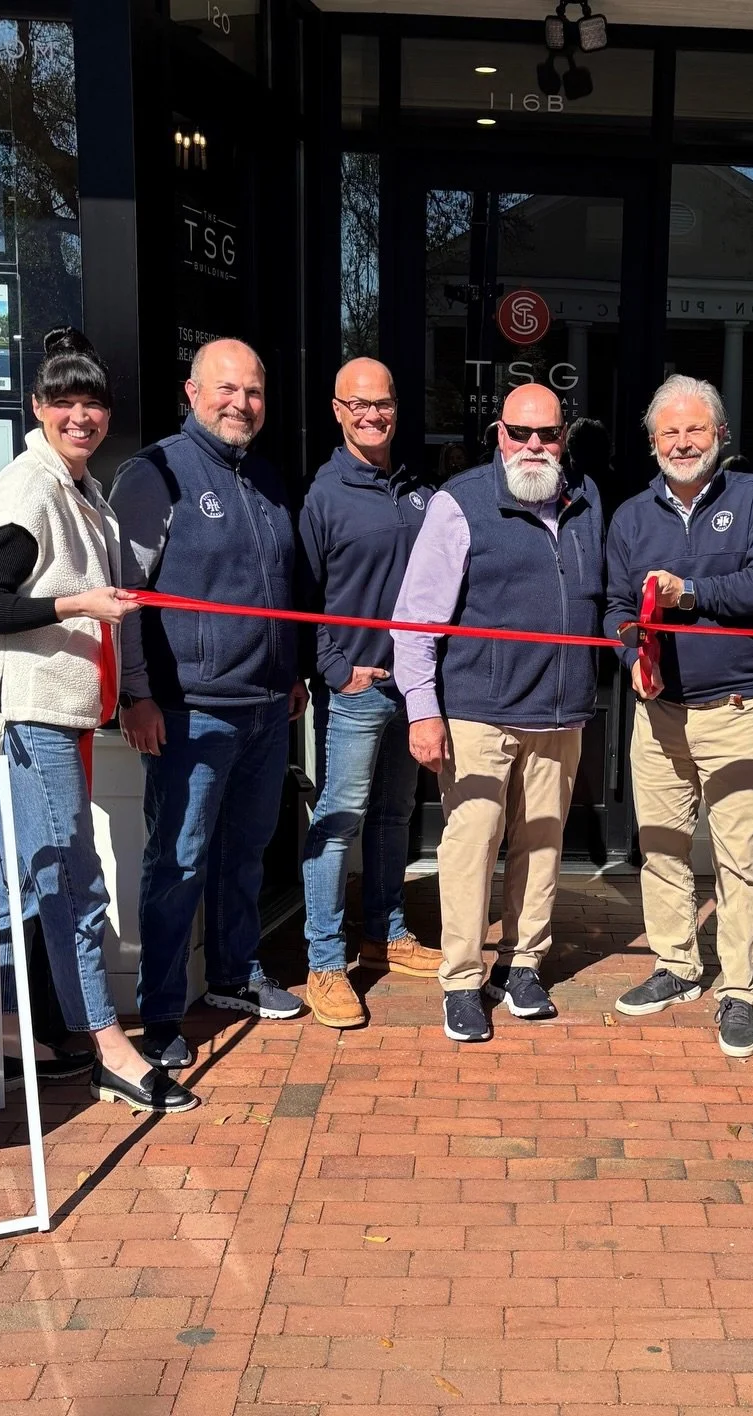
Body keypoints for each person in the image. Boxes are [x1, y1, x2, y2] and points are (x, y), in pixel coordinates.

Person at [0, 327, 197, 1113]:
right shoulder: (28, 490)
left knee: (28, 884)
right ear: (38, 407)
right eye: (64, 402)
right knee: (71, 882)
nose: (80, 417)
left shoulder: (79, 486)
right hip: (26, 715)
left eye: (92, 403)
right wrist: (80, 603)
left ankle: (7, 1030)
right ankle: (109, 1049)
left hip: (55, 713)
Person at [112, 338, 309, 1073]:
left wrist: (290, 672)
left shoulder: (265, 477)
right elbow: (125, 597)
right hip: (189, 709)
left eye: (253, 392)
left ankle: (233, 974)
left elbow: (278, 589)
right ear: (192, 392)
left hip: (265, 705)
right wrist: (136, 694)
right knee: (178, 861)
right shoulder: (155, 473)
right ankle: (162, 1013)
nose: (241, 404)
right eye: (226, 389)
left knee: (245, 852)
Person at [393, 383, 604, 1043]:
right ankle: (461, 979)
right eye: (520, 433)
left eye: (548, 434)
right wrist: (422, 710)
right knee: (471, 846)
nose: (534, 446)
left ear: (564, 438)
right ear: (499, 435)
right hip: (478, 712)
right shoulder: (459, 503)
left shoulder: (587, 500)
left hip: (560, 713)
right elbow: (415, 619)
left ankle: (521, 965)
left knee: (542, 845)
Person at [605, 374, 753, 1058]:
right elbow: (616, 607)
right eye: (670, 432)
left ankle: (738, 989)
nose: (682, 443)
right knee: (661, 847)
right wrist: (630, 654)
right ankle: (678, 964)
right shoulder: (631, 517)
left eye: (695, 429)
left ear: (721, 433)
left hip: (737, 708)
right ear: (652, 441)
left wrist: (689, 594)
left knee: (740, 858)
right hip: (658, 714)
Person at [298, 358, 441, 1029]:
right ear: (338, 411)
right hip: (355, 691)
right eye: (358, 405)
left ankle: (387, 932)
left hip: (409, 688)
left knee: (393, 817)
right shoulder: (324, 496)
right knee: (338, 820)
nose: (372, 415)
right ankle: (325, 963)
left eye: (382, 403)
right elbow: (303, 595)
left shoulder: (419, 489)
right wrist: (335, 669)